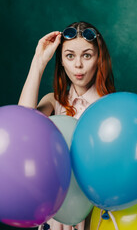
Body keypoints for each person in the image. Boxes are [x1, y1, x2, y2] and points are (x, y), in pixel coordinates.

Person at [18, 21, 116, 230]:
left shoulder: (112, 108)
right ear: (61, 60)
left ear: (99, 59)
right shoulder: (54, 101)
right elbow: (22, 125)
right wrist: (39, 61)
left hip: (96, 213)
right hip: (55, 212)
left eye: (87, 55)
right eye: (70, 56)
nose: (78, 65)